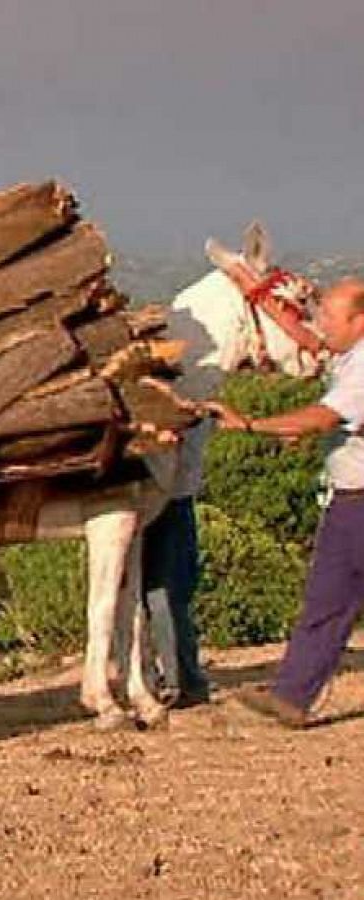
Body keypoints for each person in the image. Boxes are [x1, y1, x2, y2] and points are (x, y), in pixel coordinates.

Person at [206, 277, 364, 728]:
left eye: (330, 317)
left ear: (359, 320)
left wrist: (251, 425)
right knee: (325, 601)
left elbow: (323, 415)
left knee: (330, 601)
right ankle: (291, 698)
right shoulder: (350, 362)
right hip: (350, 501)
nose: (320, 325)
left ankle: (292, 696)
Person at [141, 417, 213, 707]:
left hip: (162, 497)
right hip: (170, 498)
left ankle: (173, 679)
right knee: (167, 593)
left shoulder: (183, 403)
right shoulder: (192, 399)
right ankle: (180, 679)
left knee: (159, 593)